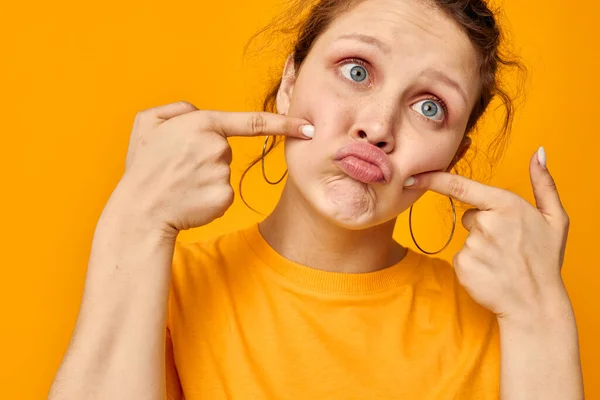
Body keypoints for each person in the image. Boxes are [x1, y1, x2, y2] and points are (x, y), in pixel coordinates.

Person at [48, 0, 584, 399]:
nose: (377, 126)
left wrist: (542, 316)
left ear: (455, 152)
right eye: (357, 71)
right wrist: (135, 219)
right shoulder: (162, 284)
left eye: (430, 107)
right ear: (289, 83)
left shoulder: (499, 322)